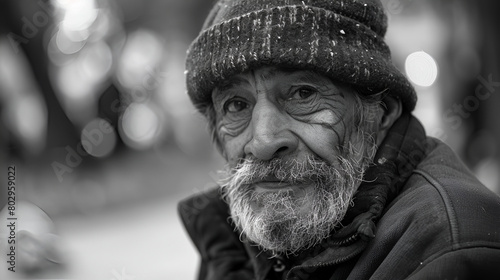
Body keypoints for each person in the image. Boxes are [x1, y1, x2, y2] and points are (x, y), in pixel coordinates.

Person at [178, 0, 500, 279]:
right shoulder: (234, 243)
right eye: (236, 105)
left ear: (382, 112)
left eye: (304, 94)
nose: (263, 142)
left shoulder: (448, 249)